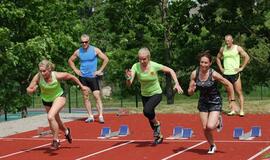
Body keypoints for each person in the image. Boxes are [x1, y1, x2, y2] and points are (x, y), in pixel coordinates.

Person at [26, 59, 89, 150]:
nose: (42, 73)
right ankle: (66, 131)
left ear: (49, 69)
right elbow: (28, 89)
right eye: (40, 71)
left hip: (59, 97)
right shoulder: (38, 76)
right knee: (56, 121)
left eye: (44, 71)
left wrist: (82, 86)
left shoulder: (57, 75)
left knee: (50, 117)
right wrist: (31, 90)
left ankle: (56, 141)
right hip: (46, 100)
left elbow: (71, 76)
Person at [125, 47, 183, 144]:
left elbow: (171, 70)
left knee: (147, 111)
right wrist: (127, 78)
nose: (142, 61)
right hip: (145, 94)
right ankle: (158, 135)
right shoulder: (135, 66)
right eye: (140, 59)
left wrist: (176, 83)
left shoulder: (154, 65)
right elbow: (129, 84)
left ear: (149, 58)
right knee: (149, 115)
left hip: (156, 93)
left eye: (144, 59)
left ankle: (157, 124)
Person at [188, 51, 238, 154]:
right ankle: (212, 145)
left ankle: (218, 120)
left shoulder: (213, 74)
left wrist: (232, 100)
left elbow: (229, 84)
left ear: (210, 63)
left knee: (210, 126)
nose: (203, 65)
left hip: (215, 100)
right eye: (202, 62)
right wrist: (191, 90)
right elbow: (190, 91)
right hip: (203, 102)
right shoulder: (194, 73)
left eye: (206, 63)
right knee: (205, 128)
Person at [68, 34, 109, 123]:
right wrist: (75, 70)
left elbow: (106, 59)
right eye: (82, 42)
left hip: (93, 77)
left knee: (96, 96)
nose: (84, 44)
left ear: (89, 42)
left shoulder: (95, 50)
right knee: (86, 96)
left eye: (86, 42)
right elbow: (70, 60)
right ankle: (90, 116)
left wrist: (100, 70)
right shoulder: (78, 52)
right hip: (83, 77)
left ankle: (101, 116)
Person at [216, 34, 250, 117]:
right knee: (229, 93)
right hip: (226, 74)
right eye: (225, 41)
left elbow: (247, 57)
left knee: (239, 92)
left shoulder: (237, 48)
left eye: (228, 40)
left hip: (235, 74)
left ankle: (241, 110)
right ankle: (232, 110)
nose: (227, 42)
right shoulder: (223, 49)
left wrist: (241, 68)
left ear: (232, 40)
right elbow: (217, 58)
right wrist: (221, 68)